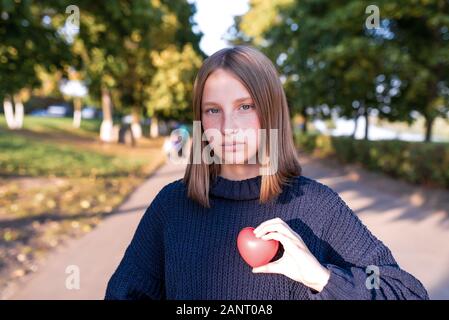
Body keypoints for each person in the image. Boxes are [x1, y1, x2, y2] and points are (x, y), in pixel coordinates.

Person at [105, 45, 429, 300]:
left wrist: (321, 277)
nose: (228, 127)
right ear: (200, 121)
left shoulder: (317, 205)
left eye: (245, 107)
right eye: (213, 110)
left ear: (271, 113)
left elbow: (409, 293)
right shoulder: (172, 205)